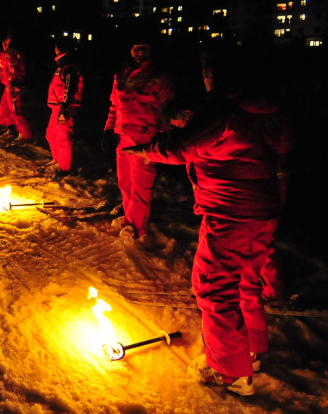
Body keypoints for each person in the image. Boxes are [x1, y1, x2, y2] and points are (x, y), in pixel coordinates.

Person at [122, 49, 294, 396]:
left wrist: (144, 150)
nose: (205, 78)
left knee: (214, 287)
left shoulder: (223, 109)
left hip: (230, 210)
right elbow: (281, 152)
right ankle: (253, 350)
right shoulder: (266, 109)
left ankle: (230, 372)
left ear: (213, 75)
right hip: (264, 208)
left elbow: (183, 147)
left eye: (207, 71)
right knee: (247, 279)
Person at [102, 41, 174, 241]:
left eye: (145, 46)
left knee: (140, 186)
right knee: (125, 182)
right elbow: (114, 105)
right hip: (123, 136)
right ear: (130, 49)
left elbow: (167, 107)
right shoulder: (121, 73)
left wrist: (163, 135)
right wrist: (108, 129)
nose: (140, 51)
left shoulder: (159, 75)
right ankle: (128, 217)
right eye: (136, 47)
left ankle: (135, 227)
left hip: (145, 139)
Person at [45, 38, 83, 180]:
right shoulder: (62, 66)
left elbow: (70, 88)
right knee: (51, 135)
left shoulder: (69, 67)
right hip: (57, 108)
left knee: (64, 138)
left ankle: (65, 168)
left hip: (64, 109)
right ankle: (58, 161)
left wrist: (65, 109)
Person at [0, 35, 33, 143]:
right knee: (3, 109)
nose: (6, 43)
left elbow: (13, 69)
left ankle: (25, 135)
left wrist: (11, 82)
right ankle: (12, 130)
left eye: (8, 41)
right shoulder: (6, 52)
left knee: (15, 111)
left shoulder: (11, 53)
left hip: (13, 86)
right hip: (8, 85)